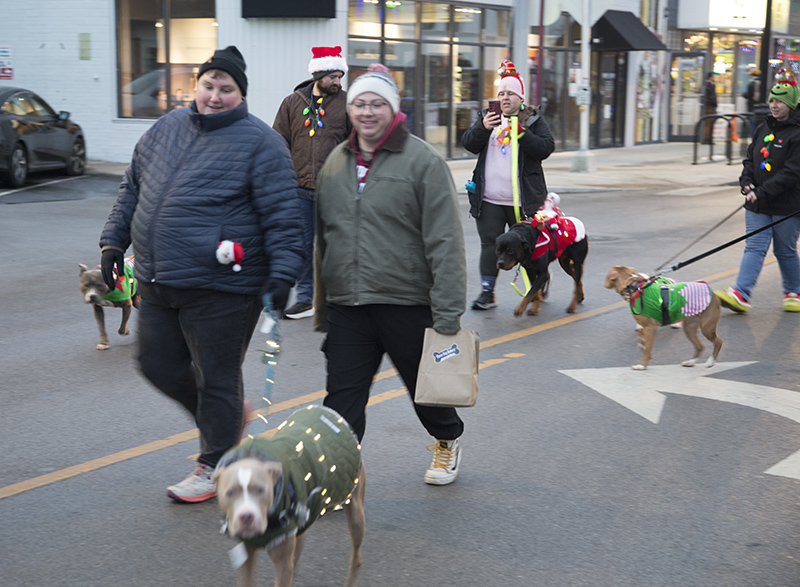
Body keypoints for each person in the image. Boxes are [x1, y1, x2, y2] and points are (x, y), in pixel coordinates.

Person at [99, 46, 304, 503]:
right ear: (197, 85)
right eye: (208, 85)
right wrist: (113, 241)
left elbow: (285, 217)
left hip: (224, 286)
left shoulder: (261, 142)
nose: (214, 96)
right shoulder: (166, 127)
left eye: (225, 89)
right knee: (155, 364)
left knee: (217, 378)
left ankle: (215, 463)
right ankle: (228, 421)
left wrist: (284, 273)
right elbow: (133, 185)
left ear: (240, 93)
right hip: (157, 278)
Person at [313, 64, 468, 486]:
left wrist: (448, 314)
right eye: (359, 103)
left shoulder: (423, 162)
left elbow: (446, 241)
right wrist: (323, 304)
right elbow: (324, 237)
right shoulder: (336, 163)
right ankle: (339, 473)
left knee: (429, 394)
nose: (367, 112)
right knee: (342, 401)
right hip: (350, 305)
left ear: (392, 109)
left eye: (377, 104)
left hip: (406, 302)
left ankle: (447, 438)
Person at [462, 60, 555, 310]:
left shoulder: (533, 120)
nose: (505, 98)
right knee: (489, 244)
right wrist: (483, 128)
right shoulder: (487, 117)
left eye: (510, 93)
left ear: (520, 97)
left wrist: (523, 133)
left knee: (529, 248)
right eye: (501, 93)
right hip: (489, 198)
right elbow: (469, 144)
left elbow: (546, 148)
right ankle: (487, 293)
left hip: (523, 200)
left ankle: (538, 283)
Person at [273, 46, 352, 320]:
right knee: (304, 246)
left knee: (334, 245)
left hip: (335, 188)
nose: (338, 82)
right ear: (319, 74)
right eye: (333, 77)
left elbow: (357, 144)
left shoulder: (347, 104)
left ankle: (334, 298)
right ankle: (305, 299)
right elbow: (278, 143)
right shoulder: (291, 103)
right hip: (299, 189)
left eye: (340, 77)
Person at [715, 72, 800, 314]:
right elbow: (750, 159)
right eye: (772, 100)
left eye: (780, 101)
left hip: (787, 206)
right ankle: (741, 294)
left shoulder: (797, 133)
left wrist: (761, 191)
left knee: (785, 250)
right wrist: (746, 183)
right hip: (758, 204)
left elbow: (793, 172)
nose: (774, 105)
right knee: (754, 247)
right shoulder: (763, 127)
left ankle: (794, 292)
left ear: (791, 104)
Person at [702, 72, 718, 143]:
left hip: (706, 106)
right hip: (711, 107)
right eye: (713, 76)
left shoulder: (704, 85)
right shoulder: (711, 85)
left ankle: (706, 138)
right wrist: (715, 104)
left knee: (706, 124)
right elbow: (713, 97)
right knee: (710, 124)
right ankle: (708, 139)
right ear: (711, 77)